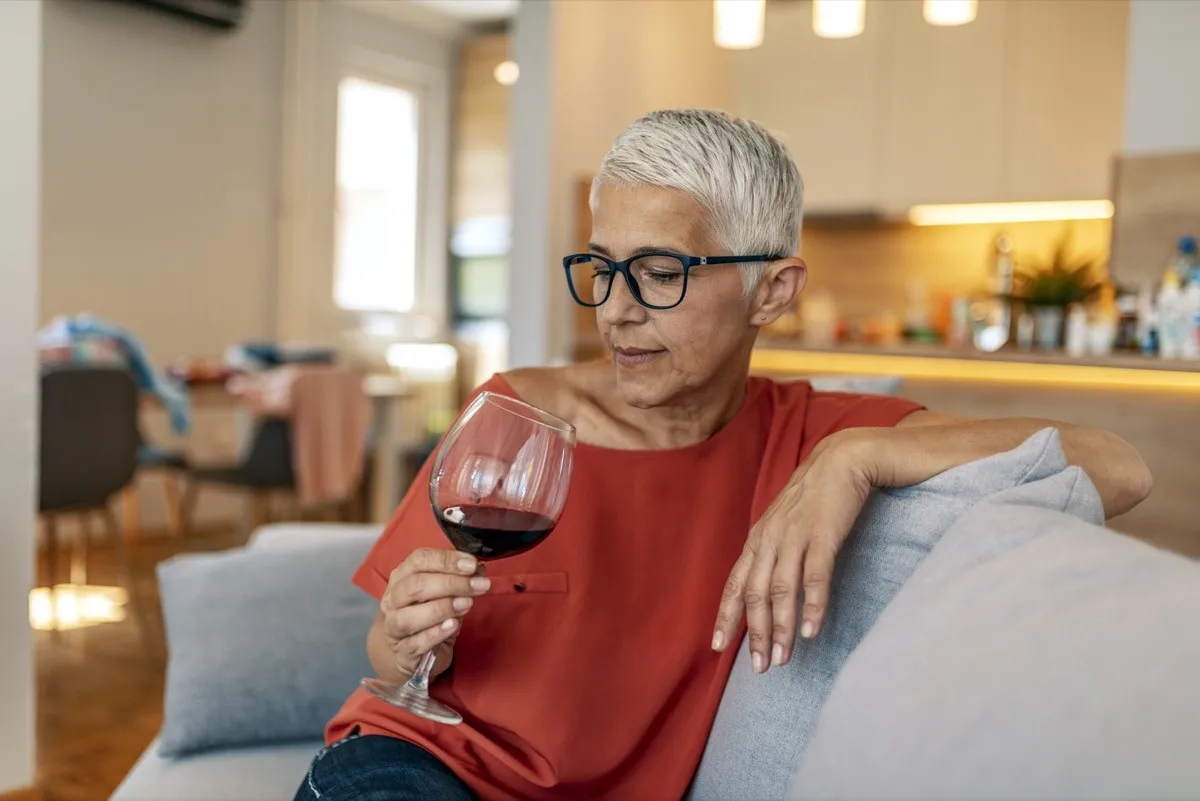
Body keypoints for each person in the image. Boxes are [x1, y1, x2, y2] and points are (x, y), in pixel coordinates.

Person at [296, 109, 1152, 801]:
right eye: (603, 268)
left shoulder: (814, 434)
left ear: (771, 290)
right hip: (419, 770)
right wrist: (409, 641)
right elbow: (389, 663)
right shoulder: (517, 413)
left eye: (660, 271)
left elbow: (1117, 466)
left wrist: (852, 457)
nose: (618, 311)